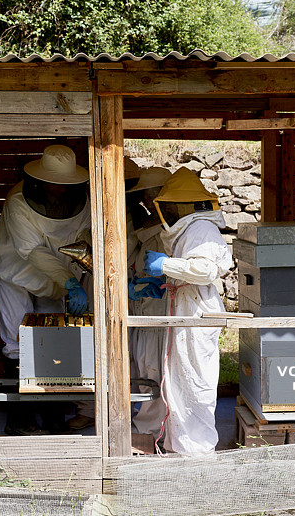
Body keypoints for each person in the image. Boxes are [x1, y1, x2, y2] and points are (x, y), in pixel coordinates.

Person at [0, 144, 92, 435]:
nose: (60, 188)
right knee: (17, 342)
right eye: (54, 182)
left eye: (65, 183)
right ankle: (19, 421)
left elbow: (84, 239)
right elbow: (32, 251)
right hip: (15, 274)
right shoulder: (18, 202)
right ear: (40, 179)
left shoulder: (81, 201)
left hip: (56, 280)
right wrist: (70, 282)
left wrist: (81, 276)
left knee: (54, 340)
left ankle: (53, 417)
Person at [142, 167, 232, 454]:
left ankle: (198, 449)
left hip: (197, 311)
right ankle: (181, 444)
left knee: (195, 380)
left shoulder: (201, 228)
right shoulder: (190, 228)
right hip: (186, 305)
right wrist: (164, 282)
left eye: (171, 205)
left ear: (184, 204)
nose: (167, 211)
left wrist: (166, 265)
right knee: (180, 380)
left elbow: (206, 270)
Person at [125, 167, 171, 440]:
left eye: (153, 195)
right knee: (142, 365)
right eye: (145, 195)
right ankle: (145, 426)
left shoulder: (169, 231)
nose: (147, 201)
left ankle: (153, 431)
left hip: (159, 313)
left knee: (154, 369)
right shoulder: (144, 226)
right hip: (142, 311)